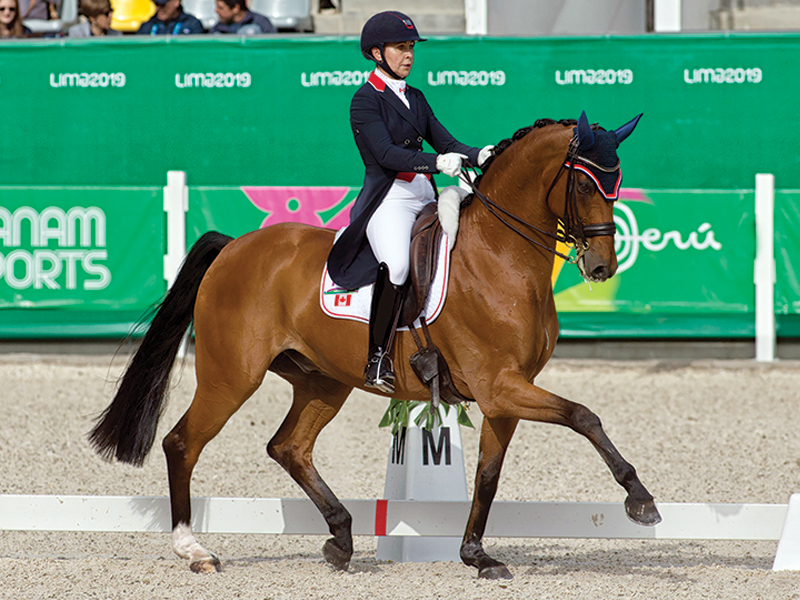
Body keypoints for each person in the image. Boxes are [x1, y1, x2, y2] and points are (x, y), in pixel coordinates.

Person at [326, 10, 493, 394]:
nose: (409, 55)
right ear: (376, 52)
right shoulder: (365, 101)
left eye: (412, 47)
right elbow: (385, 154)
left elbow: (447, 143)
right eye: (401, 47)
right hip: (390, 197)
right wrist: (435, 162)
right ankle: (378, 358)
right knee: (398, 265)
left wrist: (480, 154)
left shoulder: (415, 97)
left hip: (424, 192)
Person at [137, 0, 203, 35]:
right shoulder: (147, 27)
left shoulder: (192, 25)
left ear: (176, 2)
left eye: (162, 5)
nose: (158, 8)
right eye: (156, 4)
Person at [209, 0, 274, 35]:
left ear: (235, 8)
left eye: (221, 8)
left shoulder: (261, 23)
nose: (216, 11)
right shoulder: (218, 29)